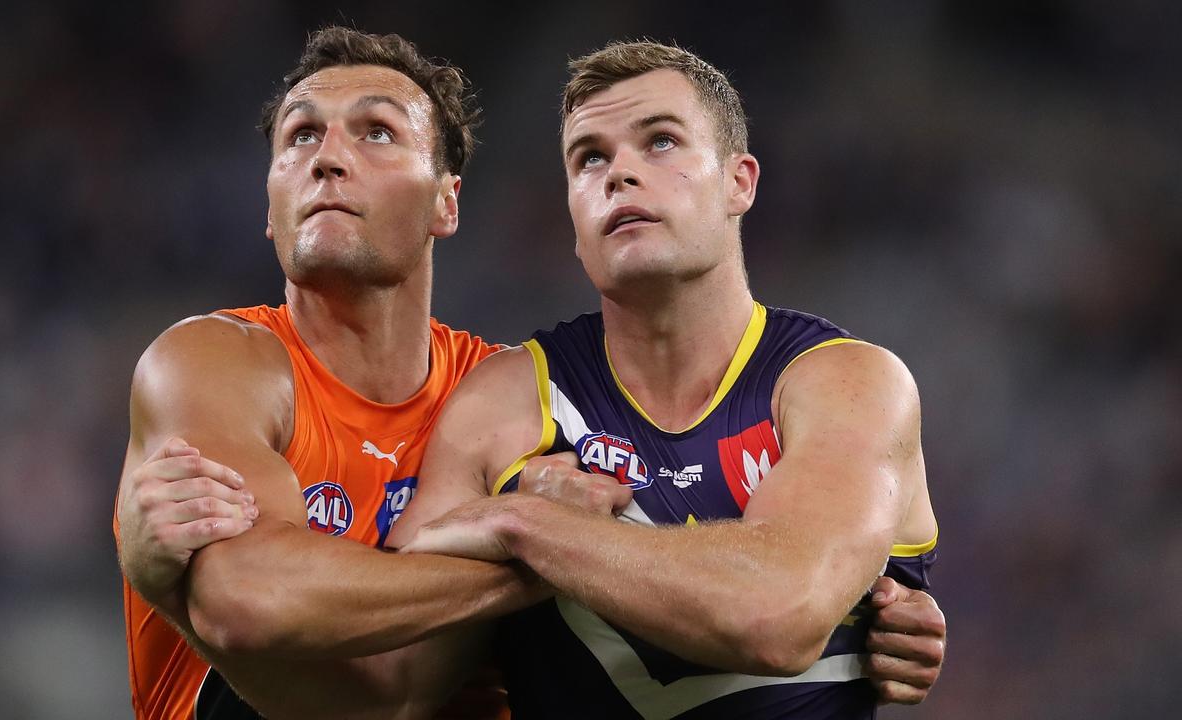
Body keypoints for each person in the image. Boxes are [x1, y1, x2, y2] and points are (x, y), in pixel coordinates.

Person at [115, 27, 945, 720]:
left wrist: (525, 532)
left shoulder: (496, 386)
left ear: (448, 202)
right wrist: (186, 600)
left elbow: (779, 612)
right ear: (267, 206)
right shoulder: (221, 363)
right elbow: (336, 662)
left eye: (374, 132)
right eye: (300, 136)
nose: (327, 159)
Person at [394, 40, 940, 718]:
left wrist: (521, 526)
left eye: (660, 142)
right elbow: (389, 685)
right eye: (589, 157)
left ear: (738, 182)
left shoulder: (847, 382)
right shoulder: (501, 402)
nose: (618, 172)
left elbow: (778, 616)